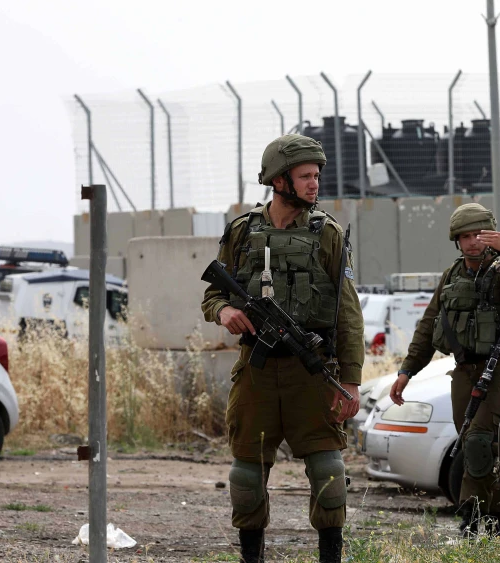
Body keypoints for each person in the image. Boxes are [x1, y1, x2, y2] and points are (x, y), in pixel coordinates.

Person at [200, 134, 364, 563]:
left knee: (329, 471)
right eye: (306, 176)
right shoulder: (242, 231)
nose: (315, 184)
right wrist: (224, 313)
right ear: (279, 180)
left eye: (317, 175)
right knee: (246, 474)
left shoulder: (326, 233)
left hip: (311, 372)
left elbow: (348, 313)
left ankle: (331, 557)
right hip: (256, 372)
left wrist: (350, 379)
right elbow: (212, 296)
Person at [388, 203, 500, 536]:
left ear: (490, 235)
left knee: (481, 439)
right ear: (456, 240)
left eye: (478, 234)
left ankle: (478, 516)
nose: (472, 242)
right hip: (466, 370)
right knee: (474, 443)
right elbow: (429, 325)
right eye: (465, 236)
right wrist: (407, 371)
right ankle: (490, 517)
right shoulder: (452, 276)